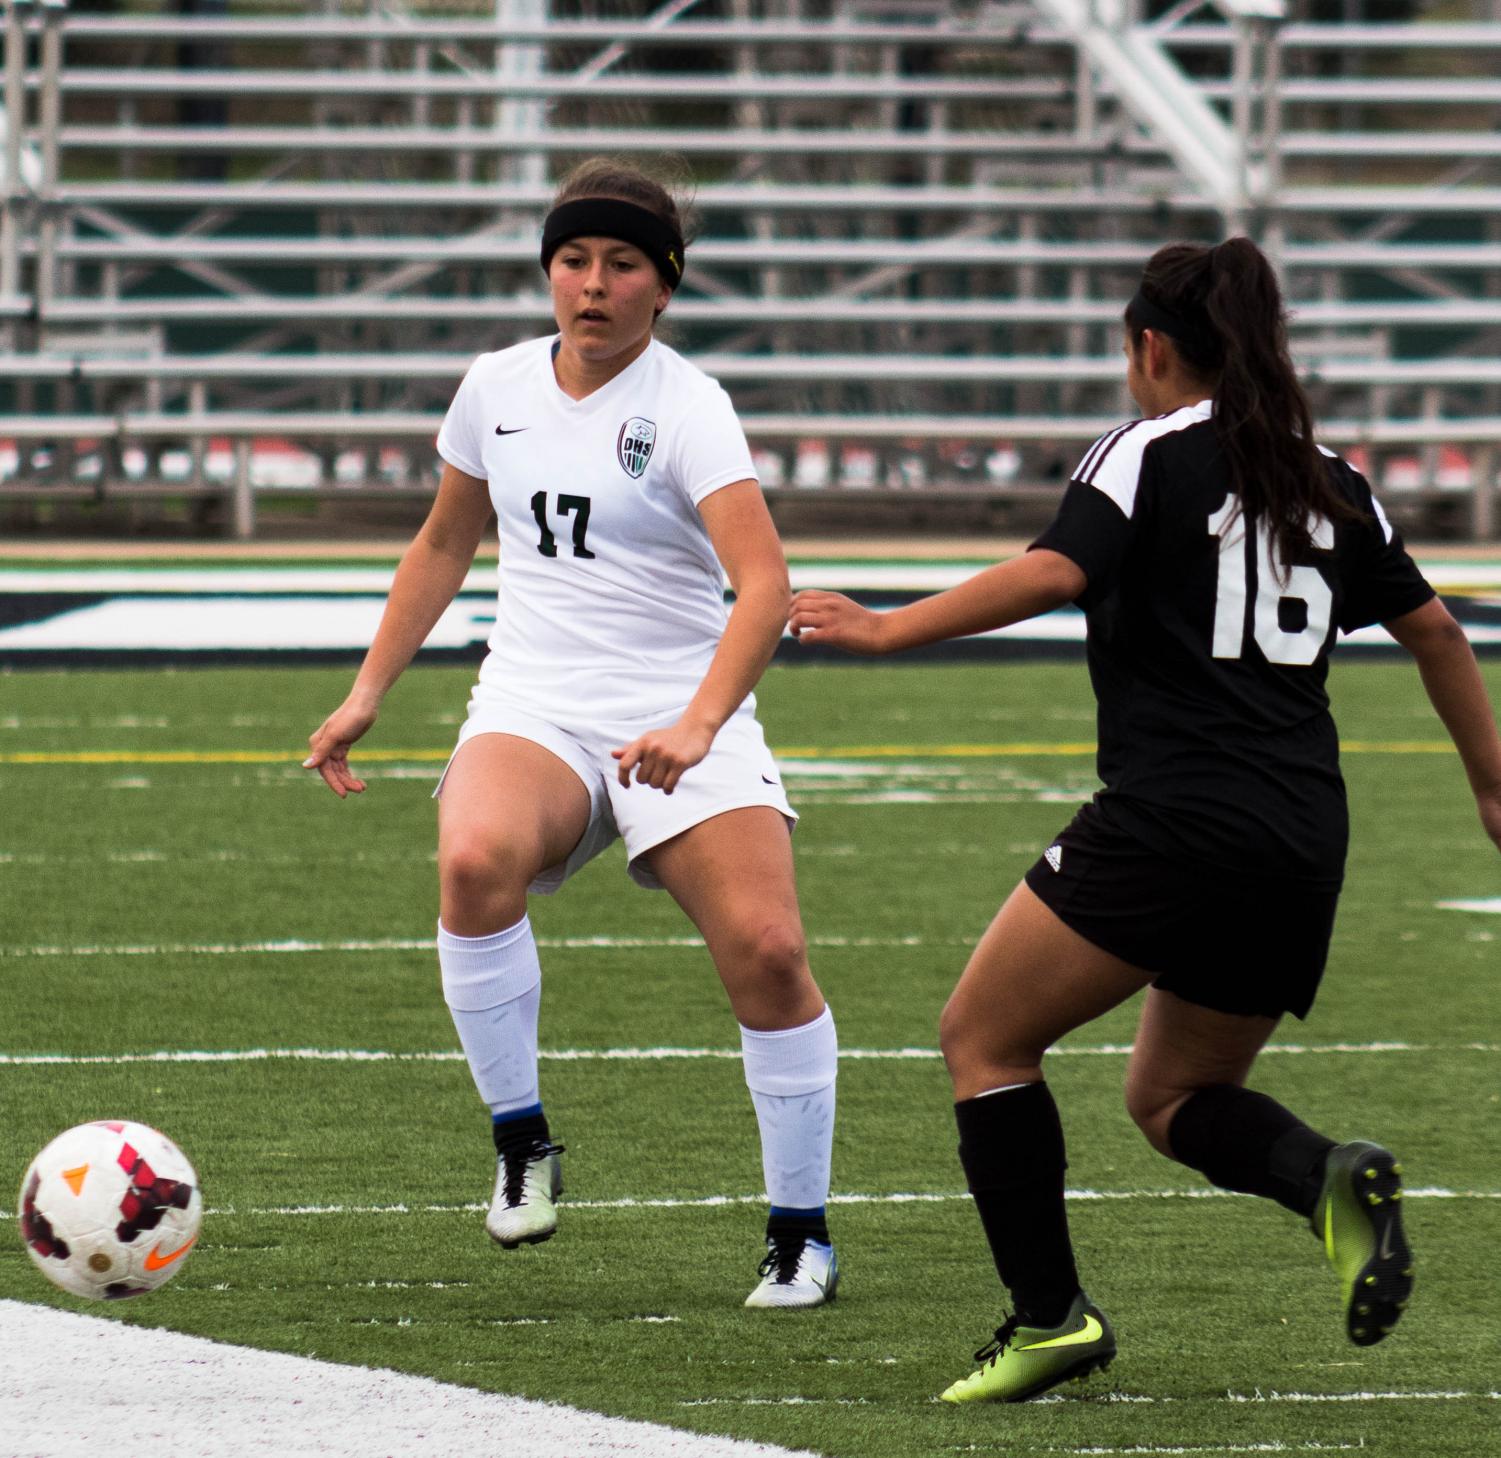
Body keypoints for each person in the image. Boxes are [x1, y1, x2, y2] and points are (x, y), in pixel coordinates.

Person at [789, 237, 1501, 1398]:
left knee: (984, 1042)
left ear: (1151, 347)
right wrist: (1491, 786)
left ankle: (1048, 1319)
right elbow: (1433, 628)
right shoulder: (1327, 473)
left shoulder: (1145, 452)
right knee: (1170, 1097)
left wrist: (886, 626)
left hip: (1173, 818)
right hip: (1299, 837)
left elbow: (1054, 571)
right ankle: (1324, 1175)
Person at [305, 158, 840, 1309]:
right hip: (536, 700)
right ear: (549, 272)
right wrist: (368, 691)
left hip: (679, 710)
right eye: (573, 261)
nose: (592, 285)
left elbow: (764, 588)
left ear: (664, 288)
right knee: (469, 860)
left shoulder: (689, 407)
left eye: (621, 265)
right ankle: (522, 1140)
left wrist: (700, 723)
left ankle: (801, 1230)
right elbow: (445, 542)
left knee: (770, 952)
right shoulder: (494, 385)